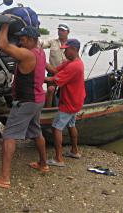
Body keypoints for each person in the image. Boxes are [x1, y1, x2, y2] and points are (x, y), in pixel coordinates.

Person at [0, 25, 48, 189]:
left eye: (23, 38)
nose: (20, 40)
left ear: (32, 40)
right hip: (38, 100)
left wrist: (4, 25)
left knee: (9, 135)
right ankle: (43, 164)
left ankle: (4, 178)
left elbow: (3, 46)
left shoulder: (27, 54)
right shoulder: (40, 51)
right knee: (36, 131)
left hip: (26, 102)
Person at [44, 39, 85, 167]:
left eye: (66, 50)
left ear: (74, 49)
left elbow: (53, 80)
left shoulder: (74, 66)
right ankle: (74, 151)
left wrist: (36, 78)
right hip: (77, 100)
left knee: (56, 127)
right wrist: (40, 59)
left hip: (69, 101)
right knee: (71, 124)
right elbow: (55, 70)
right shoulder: (72, 62)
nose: (64, 52)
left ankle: (58, 159)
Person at [40, 23, 69, 107]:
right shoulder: (52, 41)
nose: (60, 32)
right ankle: (48, 109)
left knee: (64, 93)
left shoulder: (71, 44)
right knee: (50, 90)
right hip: (52, 71)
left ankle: (61, 106)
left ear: (68, 32)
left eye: (63, 30)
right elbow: (42, 43)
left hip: (65, 73)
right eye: (59, 30)